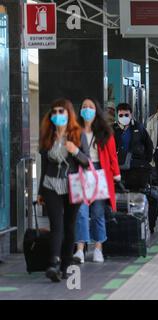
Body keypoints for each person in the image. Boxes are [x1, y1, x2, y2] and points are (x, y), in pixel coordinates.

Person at [37, 98, 90, 282]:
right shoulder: (48, 135)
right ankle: (53, 263)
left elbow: (87, 162)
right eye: (55, 112)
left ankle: (66, 264)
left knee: (69, 225)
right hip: (51, 185)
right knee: (56, 225)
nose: (58, 115)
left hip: (73, 185)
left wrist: (75, 150)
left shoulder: (78, 134)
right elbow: (44, 165)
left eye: (62, 111)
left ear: (69, 114)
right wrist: (40, 191)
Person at [73, 98, 121, 264]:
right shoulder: (75, 131)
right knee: (80, 213)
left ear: (96, 110)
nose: (87, 109)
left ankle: (98, 248)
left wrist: (116, 174)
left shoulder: (104, 132)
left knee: (98, 213)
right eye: (84, 106)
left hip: (100, 174)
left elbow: (112, 155)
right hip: (80, 174)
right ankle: (80, 249)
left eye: (90, 107)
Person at [113, 103, 153, 190]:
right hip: (118, 165)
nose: (124, 117)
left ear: (131, 114)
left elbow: (148, 144)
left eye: (126, 115)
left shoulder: (138, 127)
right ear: (117, 115)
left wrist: (147, 160)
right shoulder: (113, 129)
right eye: (121, 115)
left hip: (136, 165)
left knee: (135, 190)